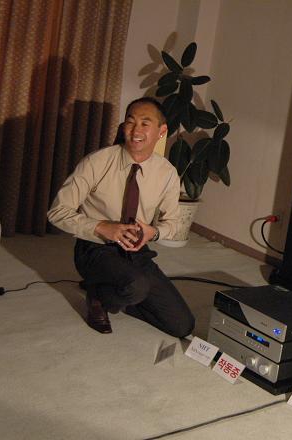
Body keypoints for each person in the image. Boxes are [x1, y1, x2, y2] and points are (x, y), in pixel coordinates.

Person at [47, 97, 195, 336]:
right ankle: (98, 296)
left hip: (136, 251)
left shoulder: (167, 173)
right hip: (95, 248)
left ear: (161, 131)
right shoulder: (97, 162)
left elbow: (174, 222)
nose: (136, 130)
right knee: (137, 285)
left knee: (182, 325)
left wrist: (153, 232)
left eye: (145, 123)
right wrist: (101, 227)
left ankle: (117, 290)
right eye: (130, 121)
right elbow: (57, 212)